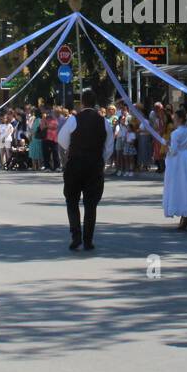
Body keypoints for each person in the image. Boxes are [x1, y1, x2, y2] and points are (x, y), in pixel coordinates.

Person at [56, 90, 114, 251]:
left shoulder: (74, 119)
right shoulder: (104, 122)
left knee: (72, 201)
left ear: (82, 103)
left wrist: (73, 149)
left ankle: (76, 236)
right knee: (91, 204)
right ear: (95, 103)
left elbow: (61, 138)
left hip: (75, 164)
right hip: (94, 165)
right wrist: (100, 158)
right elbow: (109, 147)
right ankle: (88, 240)